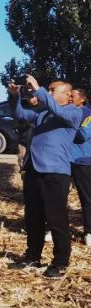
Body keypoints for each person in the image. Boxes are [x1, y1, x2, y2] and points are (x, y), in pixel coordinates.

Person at [8, 75, 83, 278]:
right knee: (33, 217)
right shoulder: (43, 114)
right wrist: (15, 96)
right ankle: (32, 256)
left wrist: (38, 89)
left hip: (55, 172)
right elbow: (21, 114)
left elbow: (58, 110)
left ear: (68, 95)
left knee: (56, 219)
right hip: (34, 169)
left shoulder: (74, 112)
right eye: (48, 90)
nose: (48, 93)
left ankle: (60, 262)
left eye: (52, 90)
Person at [70, 88, 91, 247]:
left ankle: (88, 231)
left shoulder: (87, 114)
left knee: (86, 198)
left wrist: (68, 125)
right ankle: (55, 229)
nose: (70, 98)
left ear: (82, 99)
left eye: (73, 96)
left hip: (81, 161)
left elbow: (83, 134)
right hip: (63, 161)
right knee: (58, 198)